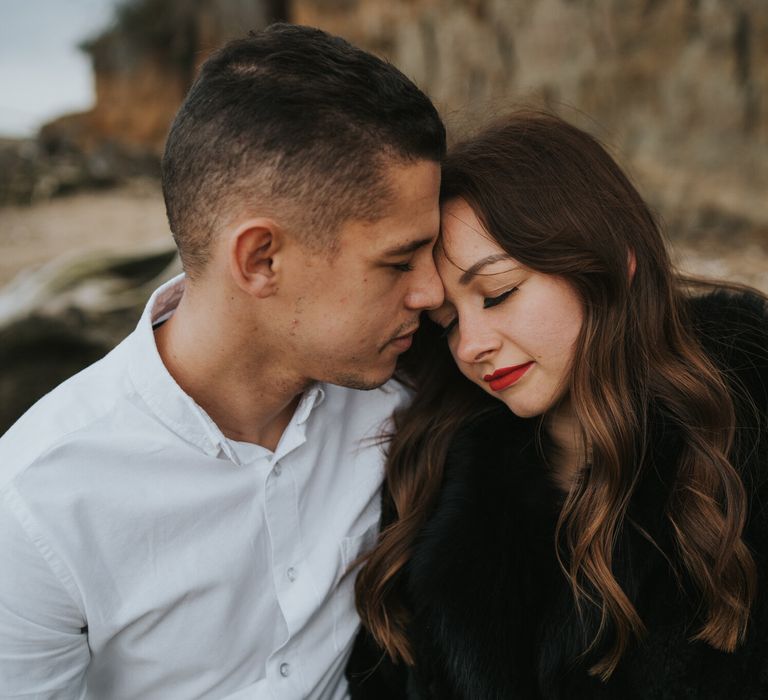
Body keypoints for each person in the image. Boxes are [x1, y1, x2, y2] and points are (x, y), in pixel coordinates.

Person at [0, 24, 446, 699]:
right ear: (260, 259)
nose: (433, 291)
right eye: (397, 261)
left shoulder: (409, 392)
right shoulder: (37, 505)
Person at [348, 111, 768, 699]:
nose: (471, 346)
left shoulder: (745, 424)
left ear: (610, 262)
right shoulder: (434, 475)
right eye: (446, 324)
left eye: (498, 294)